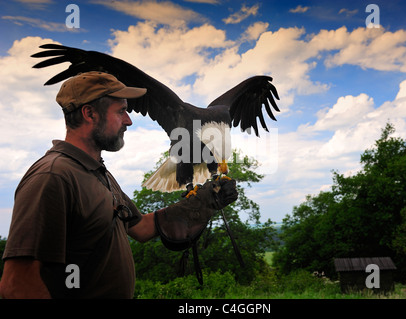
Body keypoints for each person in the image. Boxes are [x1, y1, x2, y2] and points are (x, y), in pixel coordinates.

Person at [0, 71, 238, 299]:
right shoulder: (53, 177)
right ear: (89, 114)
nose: (129, 120)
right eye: (121, 111)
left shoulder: (98, 173)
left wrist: (202, 203)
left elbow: (141, 228)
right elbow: (17, 283)